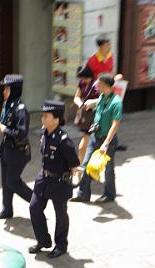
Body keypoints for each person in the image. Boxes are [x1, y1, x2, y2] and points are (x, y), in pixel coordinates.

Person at [29, 100, 80, 258]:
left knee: (61, 214)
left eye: (46, 116)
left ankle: (61, 245)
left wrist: (75, 181)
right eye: (42, 115)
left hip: (59, 182)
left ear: (56, 119)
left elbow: (74, 165)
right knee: (34, 208)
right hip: (43, 178)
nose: (42, 119)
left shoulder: (64, 141)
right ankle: (43, 241)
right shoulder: (45, 133)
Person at [70, 73, 122, 203]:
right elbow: (97, 102)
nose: (96, 86)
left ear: (105, 85)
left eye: (99, 84)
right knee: (87, 164)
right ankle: (83, 193)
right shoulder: (102, 97)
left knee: (108, 169)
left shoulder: (116, 102)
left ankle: (110, 194)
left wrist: (106, 143)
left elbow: (115, 126)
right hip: (95, 137)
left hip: (107, 140)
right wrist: (91, 103)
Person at [0, 74, 33, 220]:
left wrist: (3, 129)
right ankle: (7, 209)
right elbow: (5, 124)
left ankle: (37, 202)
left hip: (19, 151)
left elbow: (22, 133)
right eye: (4, 89)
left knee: (12, 181)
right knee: (5, 181)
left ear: (15, 90)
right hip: (6, 149)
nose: (4, 92)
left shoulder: (20, 109)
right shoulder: (7, 104)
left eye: (7, 89)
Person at [73, 66, 99, 162]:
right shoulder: (82, 83)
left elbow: (103, 99)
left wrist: (93, 102)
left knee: (92, 142)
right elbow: (76, 97)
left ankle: (83, 165)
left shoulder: (97, 84)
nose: (82, 80)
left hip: (95, 116)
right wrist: (80, 104)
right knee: (86, 140)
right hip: (86, 117)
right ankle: (81, 164)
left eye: (84, 78)